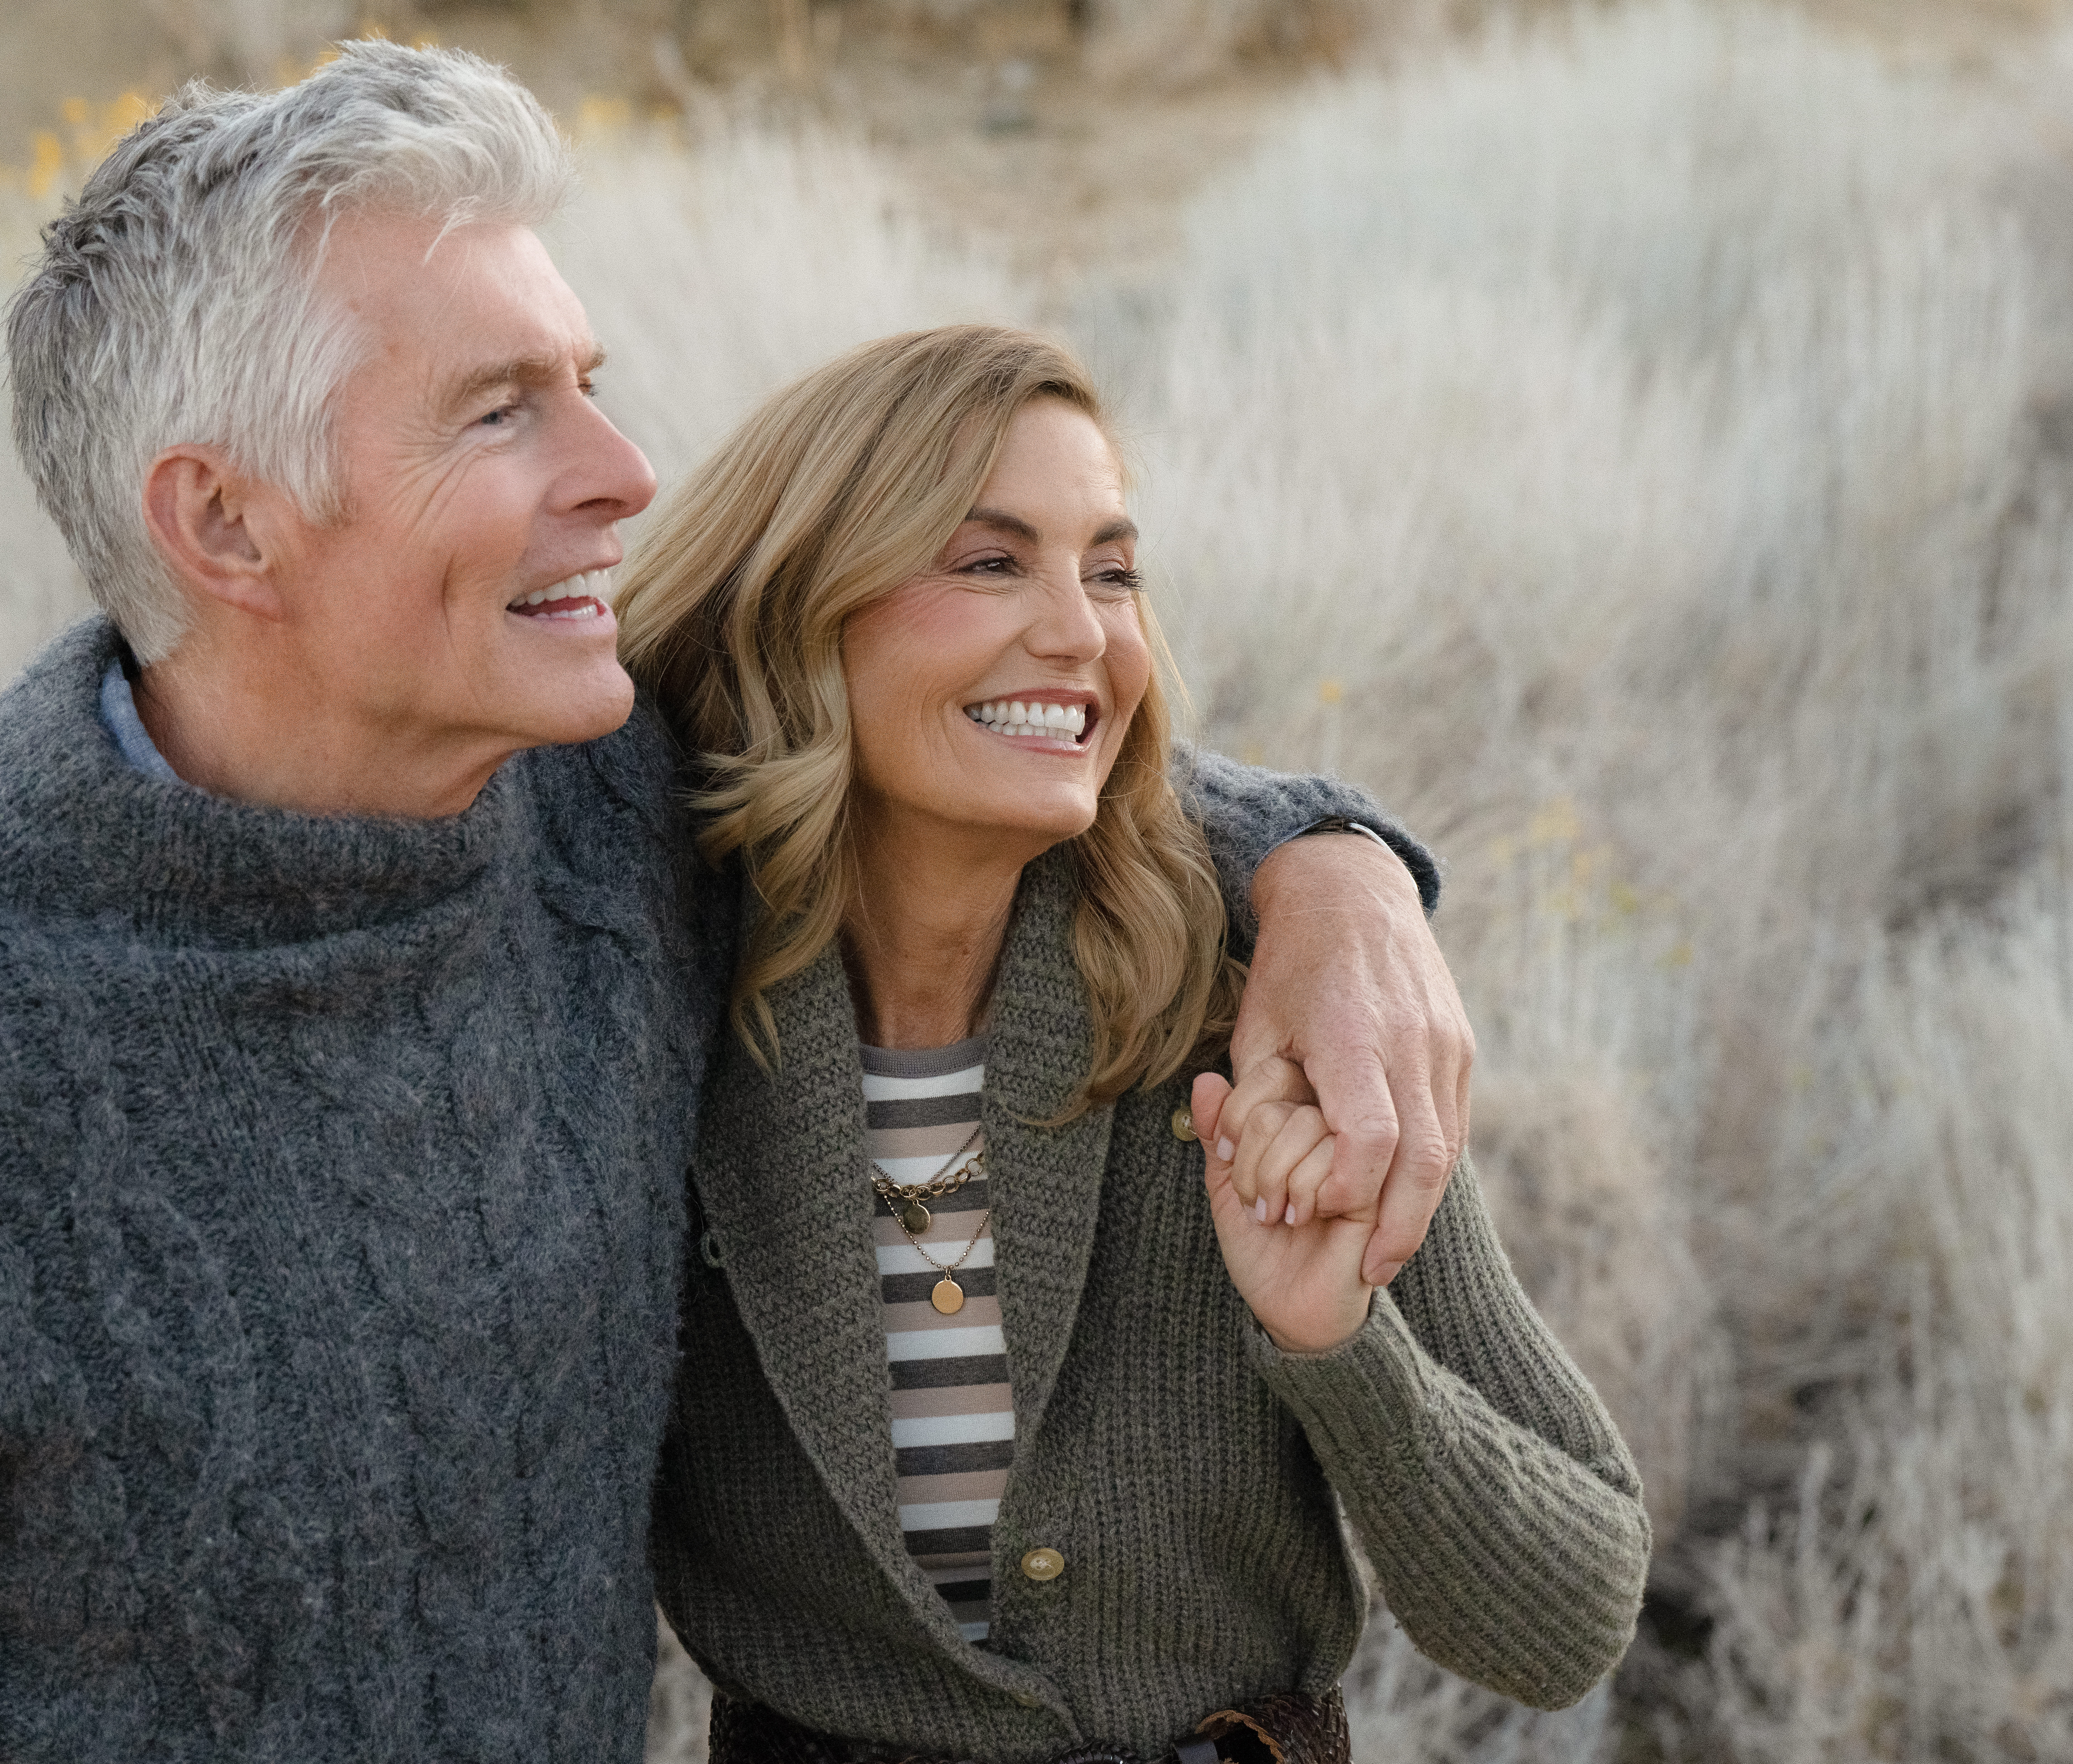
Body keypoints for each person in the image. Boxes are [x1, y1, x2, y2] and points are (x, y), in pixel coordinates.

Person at [0, 44, 1470, 1763]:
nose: (625, 473)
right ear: (225, 524)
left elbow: (983, 735)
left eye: (590, 383)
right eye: (501, 414)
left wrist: (1331, 874)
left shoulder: (598, 788)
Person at [619, 326, 1651, 1763]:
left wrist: (1337, 1347)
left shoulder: (1262, 1010)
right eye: (990, 563)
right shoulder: (650, 1016)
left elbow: (1570, 1614)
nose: (1082, 634)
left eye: (1111, 569)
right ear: (804, 607)